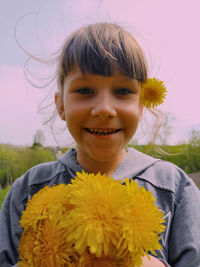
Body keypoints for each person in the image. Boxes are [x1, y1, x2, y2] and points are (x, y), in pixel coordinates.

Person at [0, 22, 200, 267]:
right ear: (60, 105)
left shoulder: (176, 190)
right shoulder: (27, 190)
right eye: (84, 90)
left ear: (141, 106)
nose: (105, 108)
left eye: (123, 91)